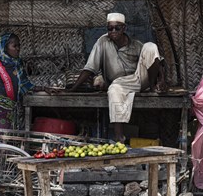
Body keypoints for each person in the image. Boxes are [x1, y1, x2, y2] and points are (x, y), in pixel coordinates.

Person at [67, 12, 166, 142]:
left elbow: (158, 61)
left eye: (117, 28)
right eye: (110, 28)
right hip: (120, 84)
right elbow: (90, 68)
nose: (113, 31)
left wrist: (162, 80)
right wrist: (72, 89)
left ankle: (153, 88)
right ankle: (119, 137)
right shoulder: (103, 42)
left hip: (139, 79)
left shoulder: (135, 45)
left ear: (124, 28)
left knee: (150, 46)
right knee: (113, 89)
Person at [0, 33, 50, 130]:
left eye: (19, 45)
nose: (18, 48)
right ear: (5, 47)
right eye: (14, 46)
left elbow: (26, 86)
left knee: (6, 143)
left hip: (10, 111)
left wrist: (44, 88)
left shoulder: (18, 64)